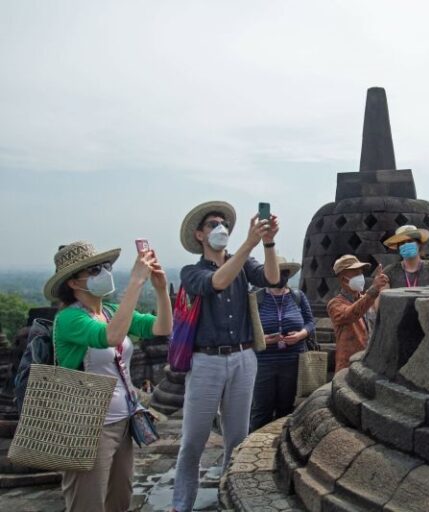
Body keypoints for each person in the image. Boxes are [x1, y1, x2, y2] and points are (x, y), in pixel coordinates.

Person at [43, 241, 172, 512]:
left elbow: (162, 327)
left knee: (120, 500)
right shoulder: (69, 319)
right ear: (73, 283)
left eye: (105, 267)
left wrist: (160, 289)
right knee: (87, 504)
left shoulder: (111, 312)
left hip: (123, 421)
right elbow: (110, 337)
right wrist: (136, 282)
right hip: (87, 425)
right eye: (93, 270)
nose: (103, 273)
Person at [172, 201, 280, 512]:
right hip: (206, 360)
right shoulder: (191, 271)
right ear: (199, 235)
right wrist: (249, 242)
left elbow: (271, 277)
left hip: (243, 357)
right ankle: (181, 504)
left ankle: (229, 496)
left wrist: (268, 241)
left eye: (224, 225)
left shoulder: (243, 263)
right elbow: (217, 282)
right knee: (193, 440)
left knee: (238, 437)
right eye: (213, 225)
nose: (221, 229)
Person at [249, 257, 315, 431]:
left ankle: (279, 446)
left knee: (286, 408)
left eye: (284, 273)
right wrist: (263, 339)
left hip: (292, 360)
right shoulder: (257, 298)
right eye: (277, 272)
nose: (281, 276)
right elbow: (248, 329)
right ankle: (252, 447)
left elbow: (310, 322)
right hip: (264, 362)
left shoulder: (297, 297)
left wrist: (301, 335)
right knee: (261, 409)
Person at [327, 255, 389, 372]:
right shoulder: (335, 304)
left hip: (368, 363)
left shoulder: (368, 299)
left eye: (361, 273)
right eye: (355, 273)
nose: (360, 277)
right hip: (347, 366)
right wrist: (374, 289)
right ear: (343, 279)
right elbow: (350, 314)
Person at [381, 225, 429, 289]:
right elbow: (381, 299)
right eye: (402, 243)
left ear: (419, 244)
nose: (406, 244)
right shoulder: (389, 272)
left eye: (410, 241)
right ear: (399, 248)